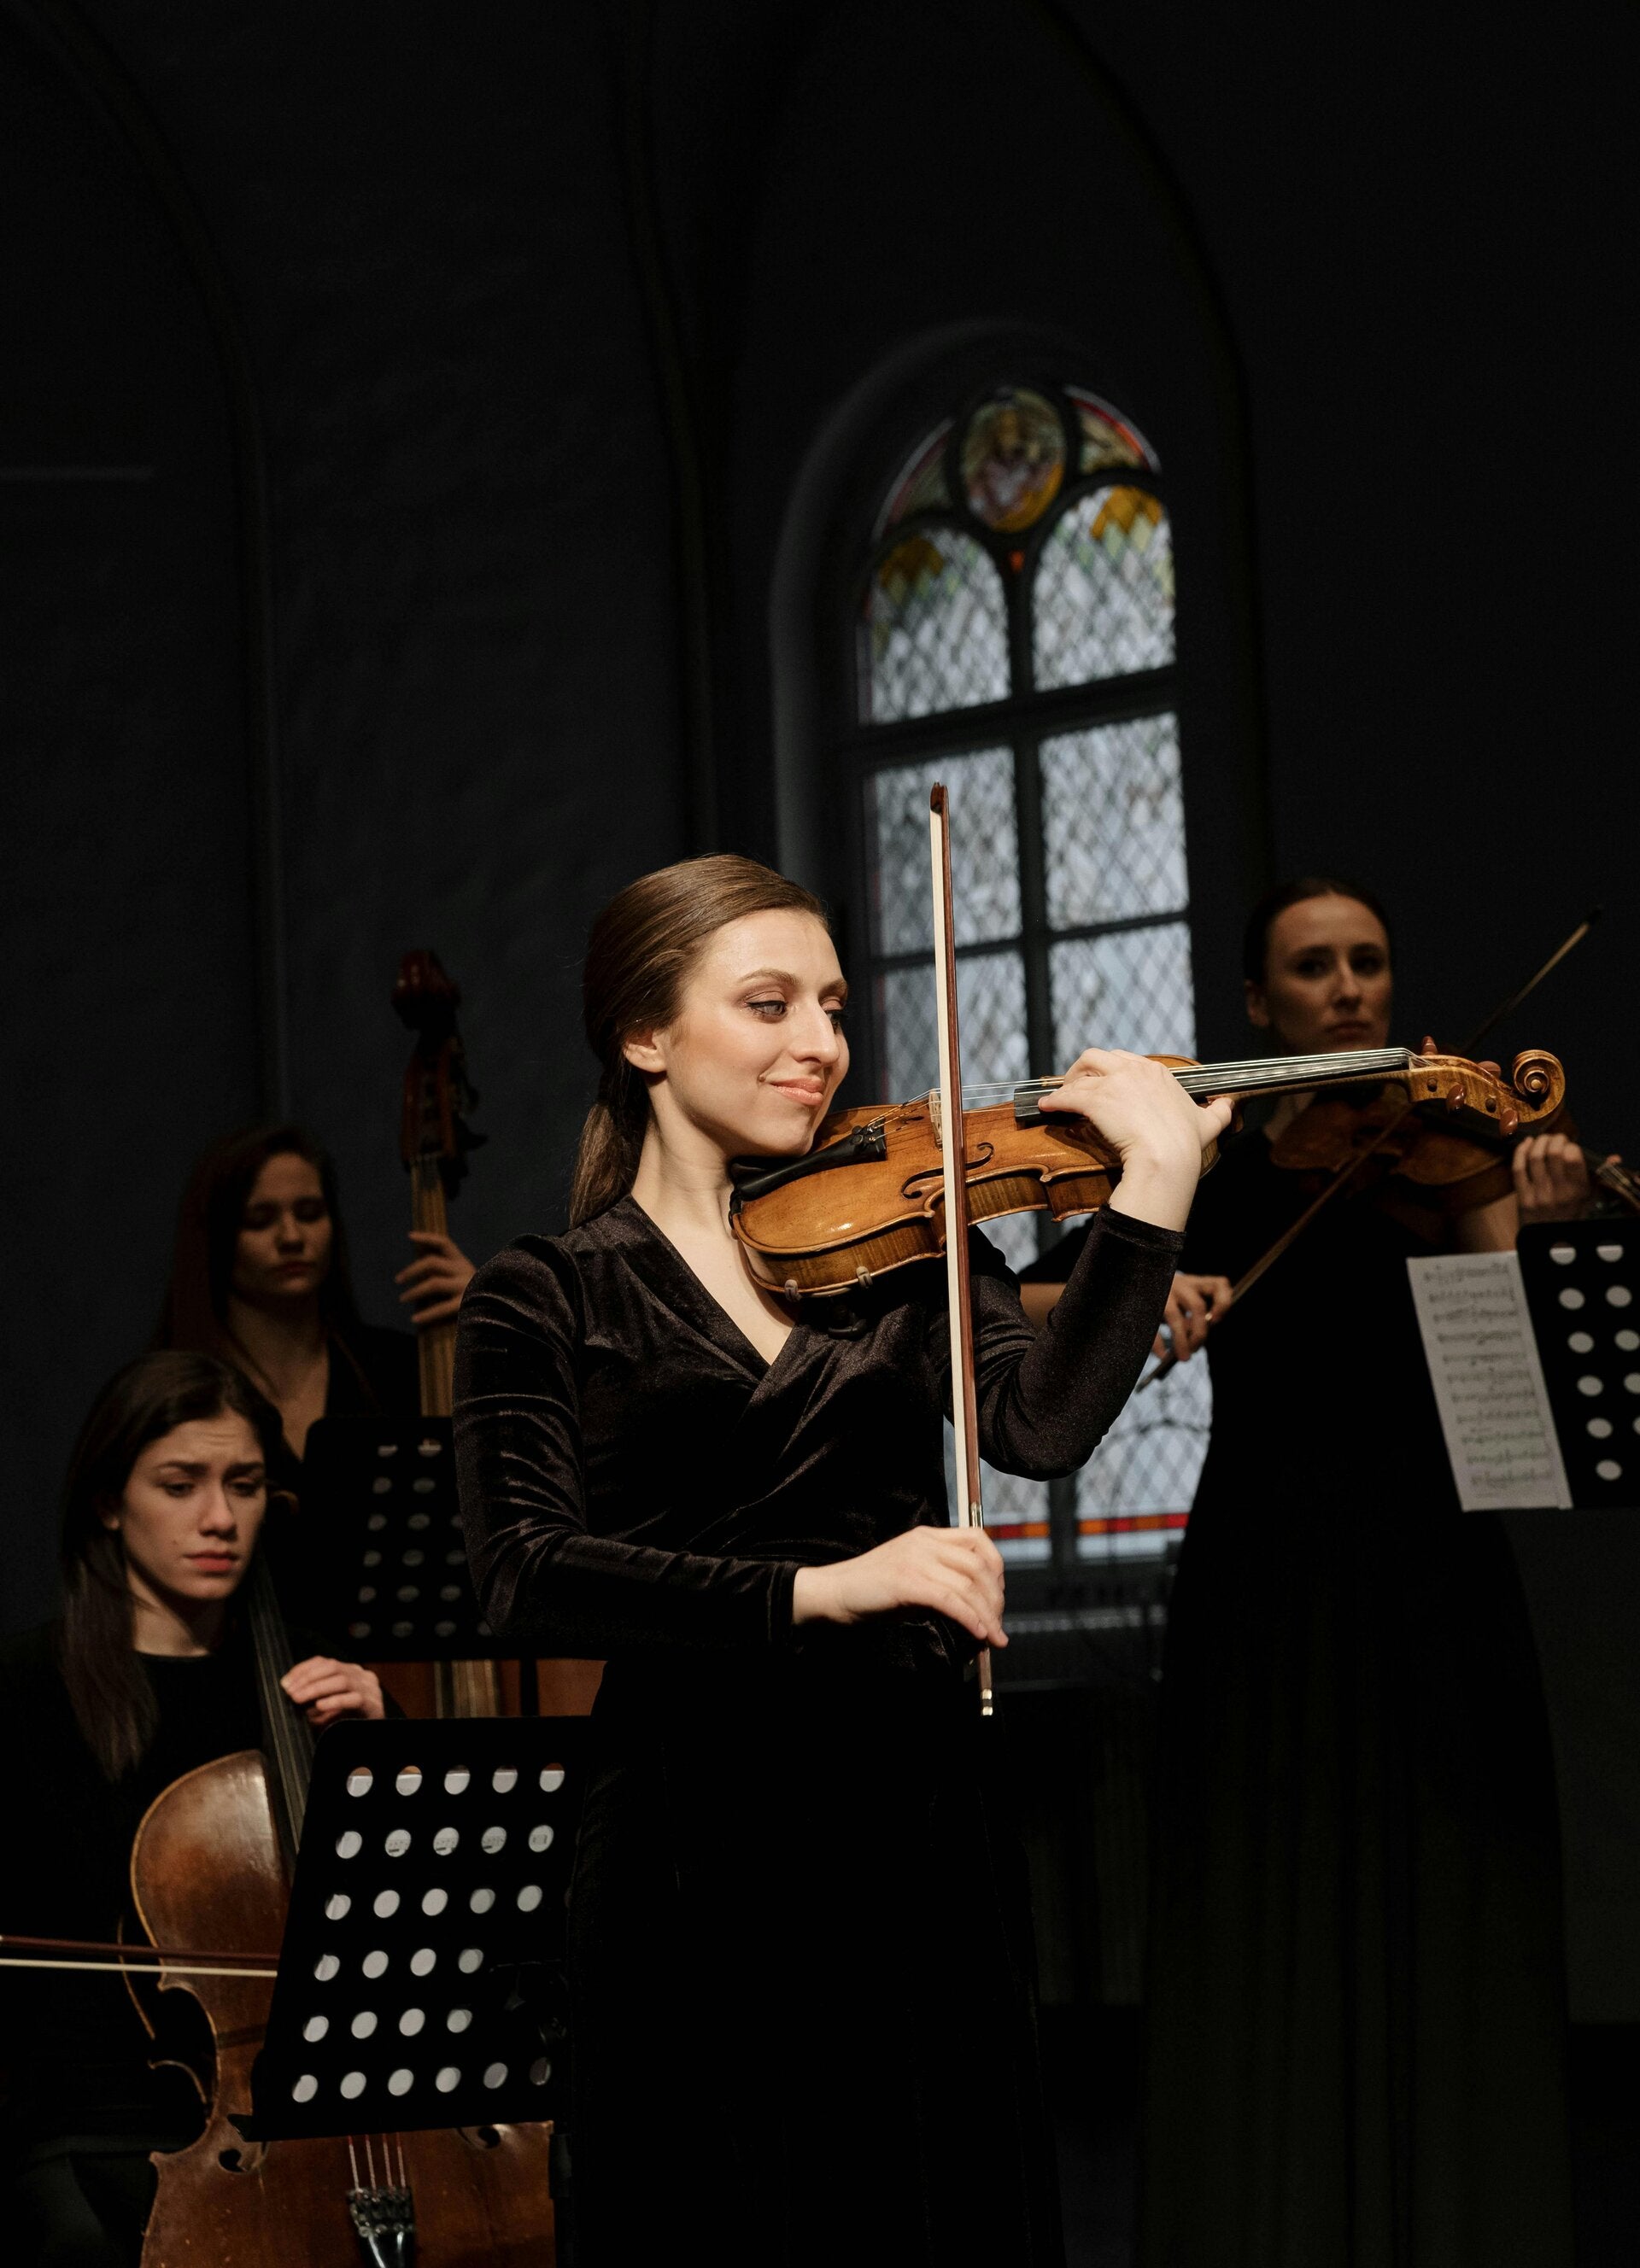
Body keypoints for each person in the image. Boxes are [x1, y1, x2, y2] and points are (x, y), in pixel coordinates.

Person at [451, 852, 1231, 2267]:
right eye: (769, 1005)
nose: (821, 1042)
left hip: (910, 1807)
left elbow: (1042, 1424)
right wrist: (825, 1588)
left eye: (831, 1006)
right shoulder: (546, 1291)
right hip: (693, 1827)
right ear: (644, 1035)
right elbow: (521, 1571)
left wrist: (1155, 1186)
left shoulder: (908, 1243)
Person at [1122, 878, 1590, 2267]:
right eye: (1313, 967)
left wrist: (1545, 1226)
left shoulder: (1450, 1151)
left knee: (1449, 1899)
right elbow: (1041, 1304)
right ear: (1258, 1003)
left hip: (1435, 1573)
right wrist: (1146, 1292)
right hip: (1266, 1577)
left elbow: (1518, 1386)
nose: (1348, 990)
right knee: (1271, 1903)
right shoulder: (1213, 1176)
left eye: (1368, 963)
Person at [0, 1349, 387, 2268]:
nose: (219, 1519)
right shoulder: (27, 1692)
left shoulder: (313, 1684)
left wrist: (386, 1756)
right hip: (92, 2128)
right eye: (180, 1486)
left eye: (244, 1486)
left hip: (306, 2114)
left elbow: (400, 1916)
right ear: (109, 1502)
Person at [152, 1122, 476, 1468]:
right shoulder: (169, 1391)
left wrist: (492, 1320)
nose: (291, 1237)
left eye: (309, 1214)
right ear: (215, 1239)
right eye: (259, 1220)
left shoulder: (394, 1369)